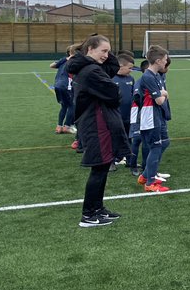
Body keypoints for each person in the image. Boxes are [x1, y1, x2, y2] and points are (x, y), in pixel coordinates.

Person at [69, 35, 128, 227]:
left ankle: (98, 208)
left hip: (96, 122)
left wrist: (106, 53)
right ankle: (88, 214)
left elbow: (112, 68)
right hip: (96, 124)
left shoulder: (90, 67)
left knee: (102, 167)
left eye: (109, 51)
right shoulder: (91, 71)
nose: (107, 55)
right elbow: (114, 94)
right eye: (103, 51)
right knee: (99, 168)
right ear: (90, 50)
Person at [137, 45, 171, 192]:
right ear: (157, 61)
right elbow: (159, 100)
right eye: (164, 59)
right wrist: (164, 93)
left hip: (158, 115)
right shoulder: (148, 76)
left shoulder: (157, 75)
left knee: (165, 142)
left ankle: (145, 175)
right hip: (150, 115)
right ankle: (150, 182)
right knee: (156, 146)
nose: (166, 62)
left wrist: (161, 93)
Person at [50, 43, 80, 134]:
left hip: (57, 85)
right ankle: (67, 126)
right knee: (72, 105)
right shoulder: (74, 61)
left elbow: (51, 65)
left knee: (64, 106)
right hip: (67, 85)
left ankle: (59, 127)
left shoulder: (63, 61)